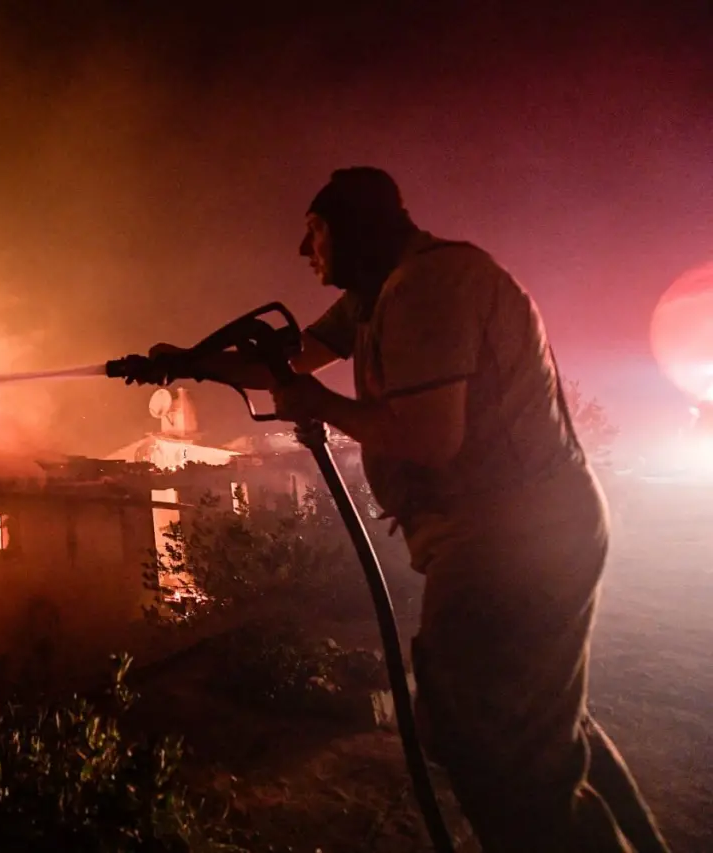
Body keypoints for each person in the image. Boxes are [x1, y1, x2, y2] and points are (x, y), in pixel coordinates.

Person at [153, 167, 670, 852]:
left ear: (356, 226)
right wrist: (190, 364)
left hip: (514, 540)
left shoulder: (427, 286)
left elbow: (430, 437)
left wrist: (324, 407)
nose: (303, 250)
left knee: (493, 750)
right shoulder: (377, 295)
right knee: (541, 725)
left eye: (315, 231)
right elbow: (292, 360)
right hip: (517, 532)